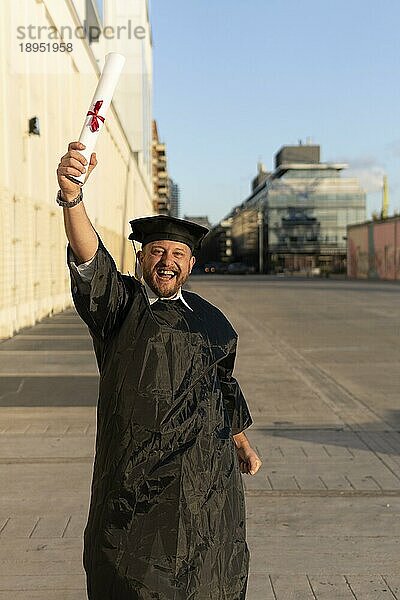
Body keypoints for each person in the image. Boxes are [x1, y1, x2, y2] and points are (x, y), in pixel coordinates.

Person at [57, 141, 262, 600]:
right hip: (138, 485)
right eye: (157, 251)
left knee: (209, 577)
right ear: (141, 257)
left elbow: (221, 386)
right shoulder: (120, 306)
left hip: (207, 484)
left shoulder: (212, 321)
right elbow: (92, 261)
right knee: (134, 578)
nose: (167, 261)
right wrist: (72, 198)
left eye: (178, 254)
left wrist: (241, 442)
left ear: (191, 264)